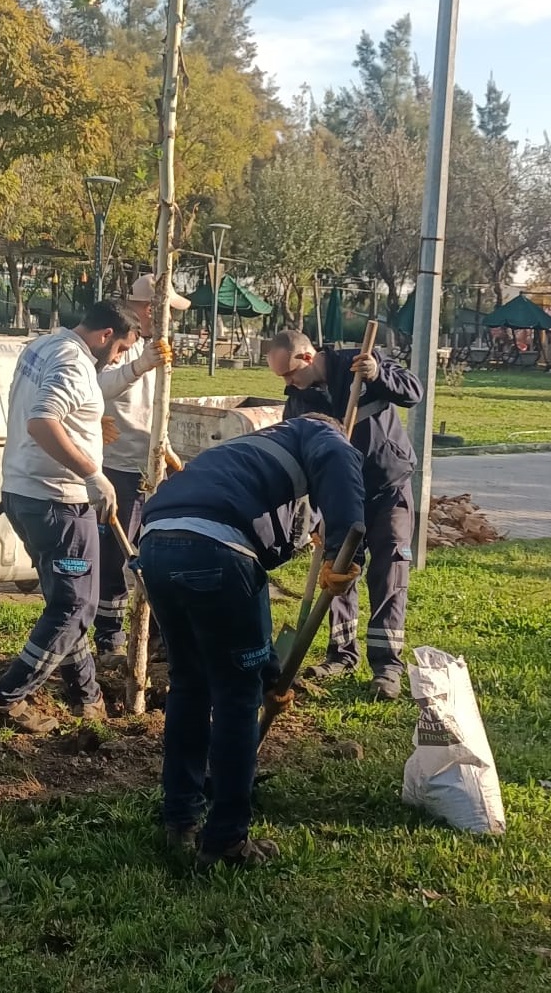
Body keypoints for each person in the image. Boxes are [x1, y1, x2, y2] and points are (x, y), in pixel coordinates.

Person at [138, 414, 365, 869]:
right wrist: (343, 546)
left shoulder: (244, 451)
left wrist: (268, 673)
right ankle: (225, 840)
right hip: (216, 547)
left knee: (190, 684)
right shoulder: (320, 433)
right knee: (235, 699)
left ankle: (179, 819)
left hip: (155, 544)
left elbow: (260, 557)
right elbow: (339, 458)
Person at [0, 299, 141, 734]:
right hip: (58, 503)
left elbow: (58, 407)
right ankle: (6, 701)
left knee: (65, 600)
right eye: (121, 349)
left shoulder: (44, 346)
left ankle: (86, 694)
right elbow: (42, 421)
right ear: (106, 335)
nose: (118, 359)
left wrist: (86, 426)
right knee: (75, 606)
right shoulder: (74, 363)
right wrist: (92, 473)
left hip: (23, 493)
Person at [266, 328, 423, 701]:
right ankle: (341, 655)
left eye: (290, 373)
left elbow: (412, 392)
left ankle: (386, 667)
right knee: (339, 572)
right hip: (340, 498)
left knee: (389, 572)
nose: (288, 383)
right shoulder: (298, 402)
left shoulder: (360, 361)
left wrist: (377, 375)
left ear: (307, 356)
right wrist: (316, 513)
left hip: (387, 487)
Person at [94, 273, 189, 664]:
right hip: (119, 466)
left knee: (159, 552)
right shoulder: (122, 343)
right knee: (115, 555)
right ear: (151, 308)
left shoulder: (156, 348)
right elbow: (98, 385)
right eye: (169, 310)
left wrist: (166, 449)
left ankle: (159, 635)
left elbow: (154, 406)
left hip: (151, 467)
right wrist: (139, 365)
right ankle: (110, 638)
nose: (173, 319)